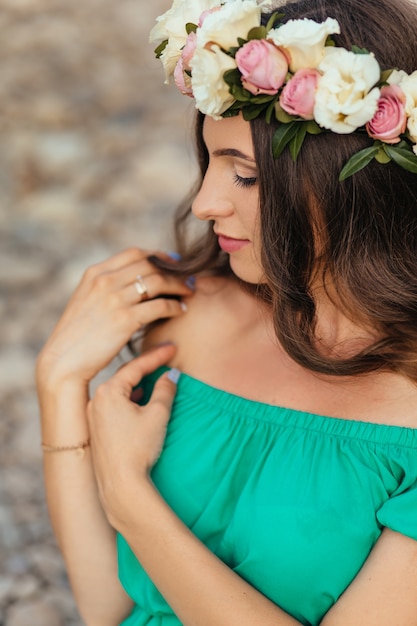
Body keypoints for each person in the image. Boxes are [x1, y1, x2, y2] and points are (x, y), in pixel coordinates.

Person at [36, 0, 417, 624]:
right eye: (211, 160)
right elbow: (111, 606)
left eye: (245, 177)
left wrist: (129, 496)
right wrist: (59, 381)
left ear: (348, 188)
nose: (207, 202)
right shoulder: (187, 317)